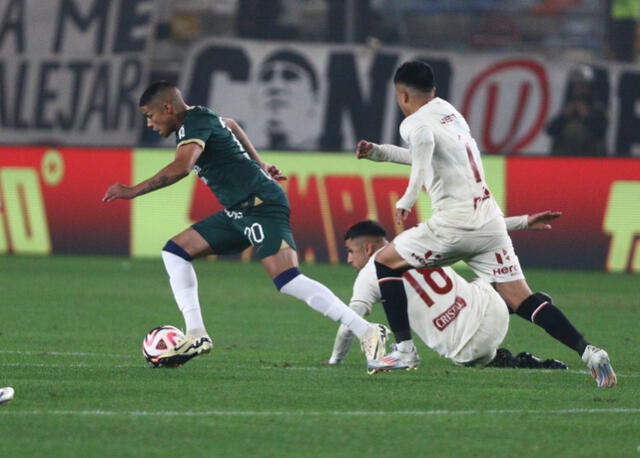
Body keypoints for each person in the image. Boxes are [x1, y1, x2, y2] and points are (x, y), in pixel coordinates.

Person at [357, 61, 616, 387]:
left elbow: (421, 144)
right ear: (434, 91)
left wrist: (406, 200)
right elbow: (429, 154)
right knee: (522, 299)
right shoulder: (450, 114)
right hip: (489, 224)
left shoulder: (413, 124)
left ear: (402, 95)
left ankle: (405, 350)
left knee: (385, 262)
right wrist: (379, 154)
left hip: (452, 227)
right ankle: (589, 352)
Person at [102, 81, 388, 368]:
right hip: (238, 211)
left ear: (167, 108)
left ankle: (368, 331)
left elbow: (182, 167)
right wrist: (260, 163)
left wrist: (132, 191)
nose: (150, 124)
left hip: (261, 205)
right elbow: (232, 125)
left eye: (150, 116)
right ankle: (197, 334)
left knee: (288, 280)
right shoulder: (202, 118)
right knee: (175, 251)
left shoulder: (193, 123)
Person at [327, 218, 568, 371]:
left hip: (468, 349)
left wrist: (335, 361)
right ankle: (526, 304)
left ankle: (511, 359)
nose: (348, 259)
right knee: (477, 283)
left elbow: (350, 323)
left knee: (461, 348)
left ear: (368, 248)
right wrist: (523, 222)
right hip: (492, 311)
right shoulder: (416, 239)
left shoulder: (368, 275)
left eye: (350, 251)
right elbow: (477, 229)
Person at [545, 65, 608, 156]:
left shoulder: (597, 108)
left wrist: (587, 117)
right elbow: (550, 130)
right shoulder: (568, 106)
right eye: (576, 86)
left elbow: (600, 133)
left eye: (582, 86)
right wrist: (564, 116)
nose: (578, 89)